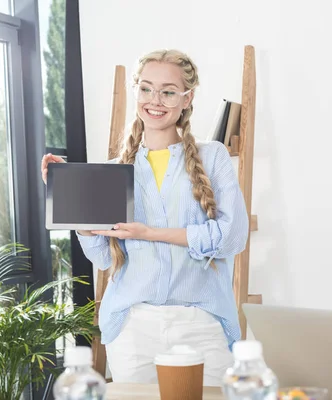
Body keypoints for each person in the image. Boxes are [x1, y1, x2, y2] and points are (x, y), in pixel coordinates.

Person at [41, 49, 249, 385]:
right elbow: (103, 259)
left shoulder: (214, 157)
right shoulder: (112, 172)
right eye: (146, 88)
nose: (156, 100)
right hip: (132, 326)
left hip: (203, 322)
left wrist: (150, 233)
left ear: (187, 98)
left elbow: (232, 237)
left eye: (168, 91)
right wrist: (70, 197)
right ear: (136, 91)